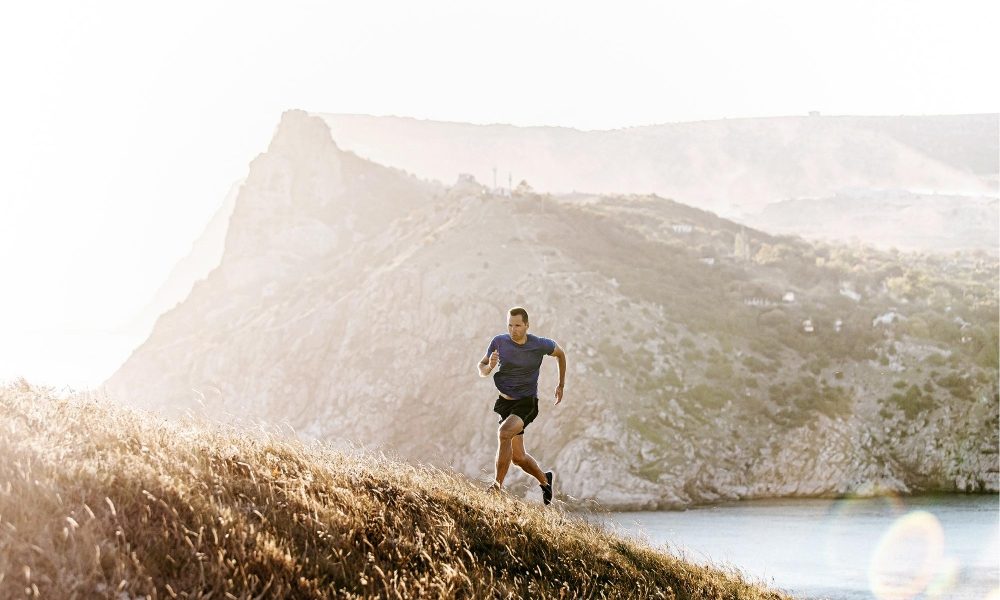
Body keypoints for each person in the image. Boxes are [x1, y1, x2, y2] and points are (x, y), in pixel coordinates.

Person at [477, 306, 566, 505]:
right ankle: (545, 480)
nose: (513, 329)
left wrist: (561, 384)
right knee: (518, 458)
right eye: (510, 325)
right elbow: (481, 369)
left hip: (527, 403)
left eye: (517, 325)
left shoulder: (539, 344)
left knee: (504, 432)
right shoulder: (499, 342)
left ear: (526, 325)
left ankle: (496, 487)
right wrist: (490, 366)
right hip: (505, 404)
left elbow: (561, 354)